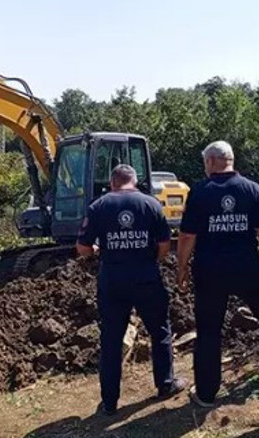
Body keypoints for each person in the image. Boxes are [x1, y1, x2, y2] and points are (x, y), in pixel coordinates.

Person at [177, 141, 259, 408]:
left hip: (210, 270)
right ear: (231, 160)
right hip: (247, 267)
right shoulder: (251, 189)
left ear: (210, 162)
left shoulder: (199, 192)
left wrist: (182, 267)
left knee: (209, 329)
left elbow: (186, 236)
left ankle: (206, 394)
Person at [77, 164, 186, 416]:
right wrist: (148, 260)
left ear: (113, 183)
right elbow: (164, 245)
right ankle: (165, 384)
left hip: (113, 281)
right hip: (146, 278)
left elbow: (82, 248)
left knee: (111, 339)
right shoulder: (151, 204)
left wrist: (96, 250)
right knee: (159, 330)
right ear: (134, 182)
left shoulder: (98, 206)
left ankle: (109, 402)